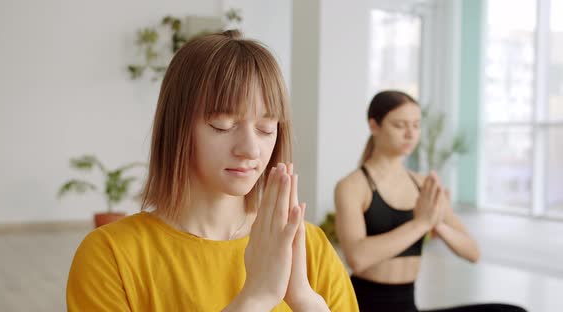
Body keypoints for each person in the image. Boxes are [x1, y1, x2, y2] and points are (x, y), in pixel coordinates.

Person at [66, 30, 358, 312]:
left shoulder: (309, 247)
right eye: (223, 125)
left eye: (266, 129)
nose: (251, 149)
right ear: (177, 127)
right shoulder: (110, 255)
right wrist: (256, 297)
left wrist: (306, 300)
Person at [334, 90, 526, 312]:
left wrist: (437, 223)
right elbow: (357, 258)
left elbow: (473, 252)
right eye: (400, 125)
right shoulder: (352, 186)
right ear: (374, 126)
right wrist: (421, 223)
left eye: (416, 125)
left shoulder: (423, 185)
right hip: (365, 305)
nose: (410, 134)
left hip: (408, 305)